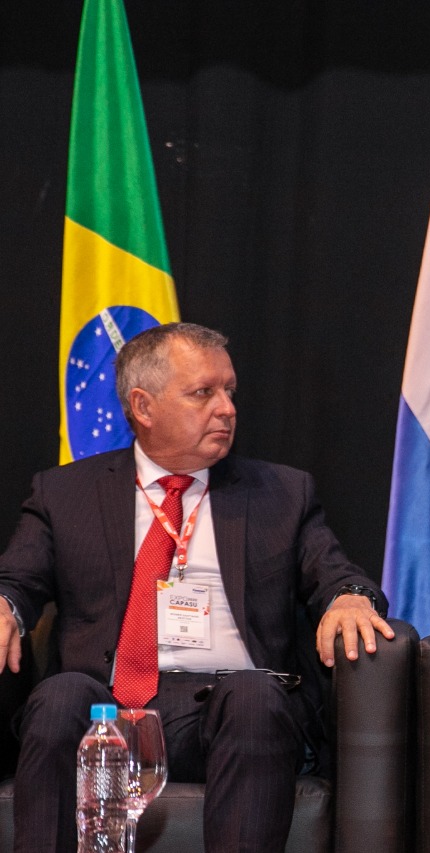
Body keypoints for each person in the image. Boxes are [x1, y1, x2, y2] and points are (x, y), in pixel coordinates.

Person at [0, 322, 395, 853]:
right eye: (203, 393)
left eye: (229, 391)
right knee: (59, 695)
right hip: (103, 709)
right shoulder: (65, 493)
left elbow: (335, 572)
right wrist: (5, 604)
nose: (226, 408)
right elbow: (18, 578)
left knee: (255, 693)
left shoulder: (281, 492)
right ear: (143, 406)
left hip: (227, 708)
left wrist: (350, 597)